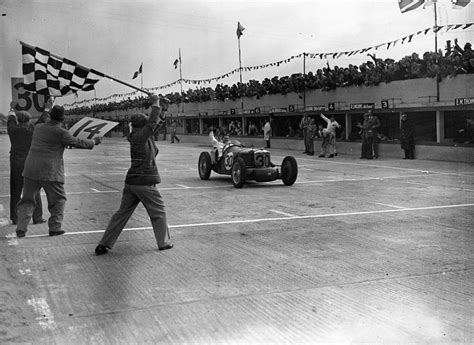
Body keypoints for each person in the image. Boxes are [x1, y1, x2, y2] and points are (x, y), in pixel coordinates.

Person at [95, 94, 173, 255]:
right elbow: (152, 124)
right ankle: (163, 242)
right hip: (144, 182)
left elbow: (155, 125)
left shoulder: (138, 137)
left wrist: (162, 109)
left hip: (131, 183)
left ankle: (104, 244)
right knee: (159, 212)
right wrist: (155, 103)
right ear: (141, 126)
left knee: (121, 214)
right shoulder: (140, 137)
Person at [15, 101, 102, 238]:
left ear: (50, 116)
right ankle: (55, 227)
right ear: (63, 119)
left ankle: (21, 228)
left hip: (31, 168)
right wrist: (94, 142)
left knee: (27, 200)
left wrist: (47, 107)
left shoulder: (38, 127)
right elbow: (78, 143)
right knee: (58, 200)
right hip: (50, 171)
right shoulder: (61, 132)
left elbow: (43, 119)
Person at [7, 101, 45, 225]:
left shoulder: (12, 130)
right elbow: (42, 120)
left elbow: (10, 118)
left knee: (15, 191)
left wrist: (12, 108)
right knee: (34, 191)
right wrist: (47, 108)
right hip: (30, 163)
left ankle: (15, 217)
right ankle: (37, 217)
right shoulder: (32, 131)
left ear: (18, 120)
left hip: (16, 164)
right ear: (28, 121)